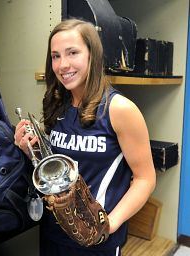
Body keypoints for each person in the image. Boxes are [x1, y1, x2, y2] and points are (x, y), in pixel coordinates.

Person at [14, 18, 156, 256]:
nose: (62, 65)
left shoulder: (119, 109)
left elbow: (145, 179)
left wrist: (110, 224)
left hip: (96, 240)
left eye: (72, 53)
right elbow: (59, 168)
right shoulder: (57, 104)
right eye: (56, 56)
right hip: (53, 232)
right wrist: (31, 151)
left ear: (93, 55)